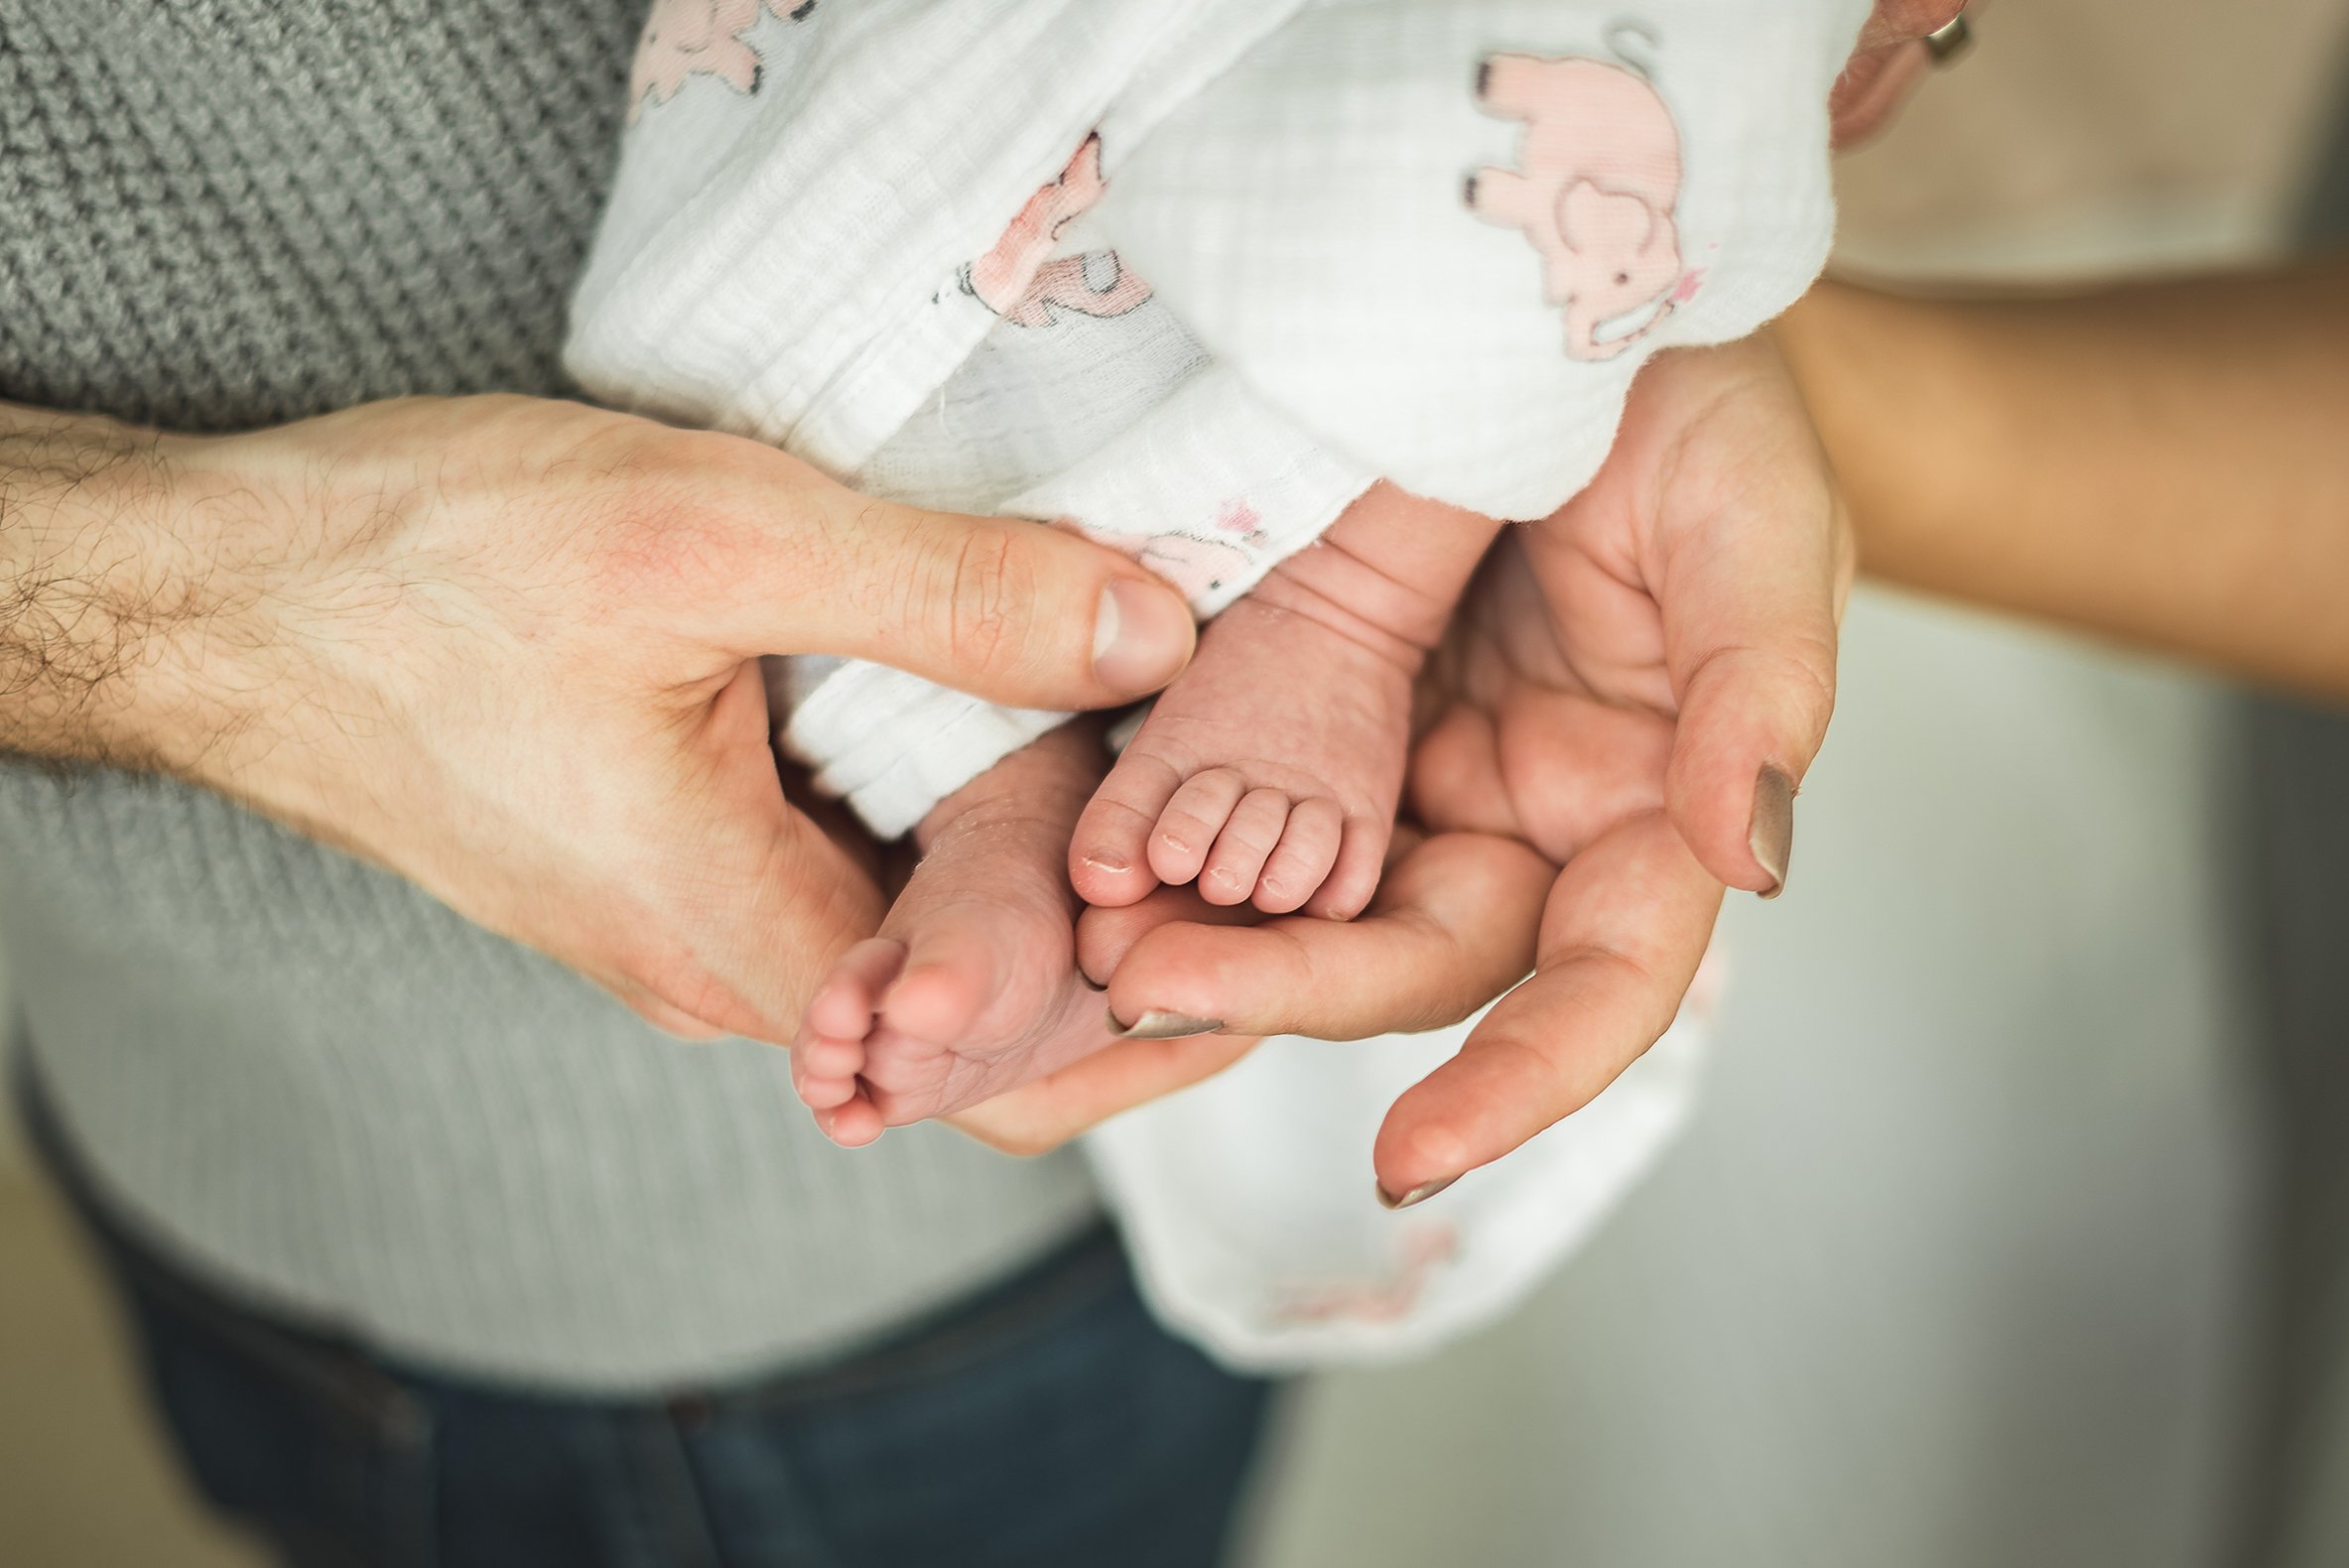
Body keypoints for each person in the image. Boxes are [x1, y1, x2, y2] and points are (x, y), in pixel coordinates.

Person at [0, 3, 1954, 1563]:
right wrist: (178, 619)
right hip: (296, 1114)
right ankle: (1041, 775)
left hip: (850, 1310)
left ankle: (1240, 658)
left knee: (1460, 200)